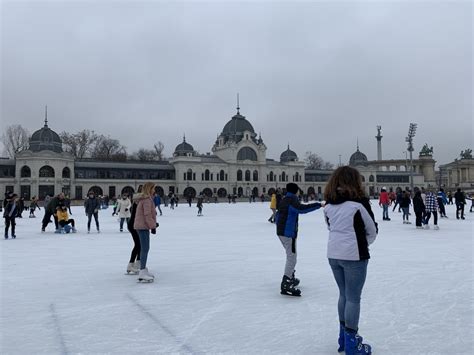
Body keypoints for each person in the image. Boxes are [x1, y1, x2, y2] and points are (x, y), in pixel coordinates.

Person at [323, 166, 377, 355]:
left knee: (343, 295)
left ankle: (343, 339)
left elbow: (330, 227)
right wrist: (362, 245)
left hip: (334, 254)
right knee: (353, 298)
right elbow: (372, 230)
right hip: (354, 256)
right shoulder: (359, 204)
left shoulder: (328, 205)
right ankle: (352, 343)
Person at [275, 182, 322, 297]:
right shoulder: (292, 199)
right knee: (292, 257)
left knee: (290, 255)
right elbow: (301, 209)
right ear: (296, 190)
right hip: (288, 232)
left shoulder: (285, 199)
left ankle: (290, 276)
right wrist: (319, 205)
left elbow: (278, 214)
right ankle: (286, 282)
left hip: (281, 231)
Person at [134, 182, 158, 283]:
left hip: (142, 226)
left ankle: (143, 269)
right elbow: (147, 214)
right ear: (149, 189)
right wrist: (153, 225)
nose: (154, 190)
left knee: (144, 249)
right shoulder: (147, 200)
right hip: (143, 226)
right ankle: (142, 271)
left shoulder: (145, 199)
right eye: (153, 188)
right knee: (145, 249)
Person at [126, 196, 141, 274]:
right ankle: (131, 264)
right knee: (138, 245)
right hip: (133, 225)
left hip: (134, 225)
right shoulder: (137, 203)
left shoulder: (136, 203)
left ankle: (137, 263)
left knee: (139, 245)